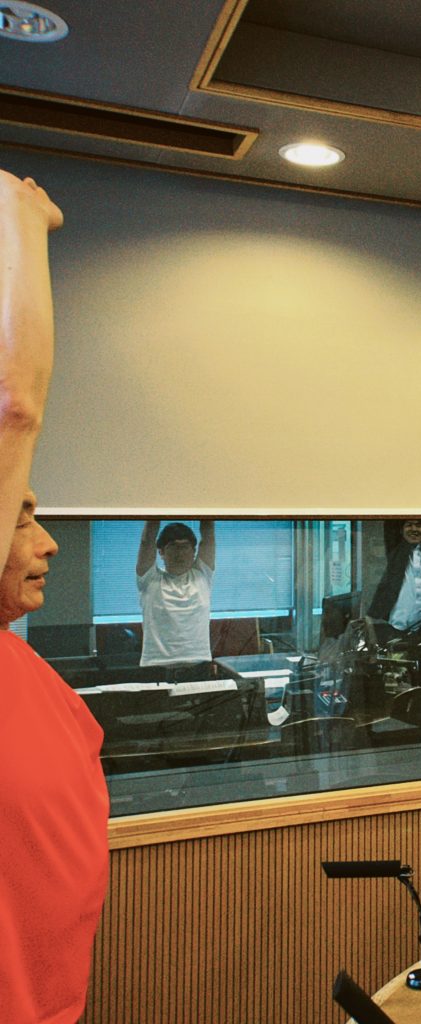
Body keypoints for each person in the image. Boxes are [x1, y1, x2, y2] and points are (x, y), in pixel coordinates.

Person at [0, 170, 109, 1023]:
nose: (48, 543)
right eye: (20, 516)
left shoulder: (23, 666)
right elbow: (15, 408)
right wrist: (22, 223)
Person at [365, 519, 421, 738]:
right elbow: (390, 524)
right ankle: (402, 737)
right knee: (398, 687)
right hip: (399, 631)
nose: (414, 529)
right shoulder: (396, 551)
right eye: (408, 525)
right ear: (400, 529)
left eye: (419, 525)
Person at [136, 518, 216, 665]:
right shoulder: (150, 579)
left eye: (185, 547)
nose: (180, 553)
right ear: (161, 552)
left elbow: (208, 535)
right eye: (173, 546)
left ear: (193, 551)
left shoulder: (202, 575)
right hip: (156, 665)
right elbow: (147, 541)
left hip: (199, 665)